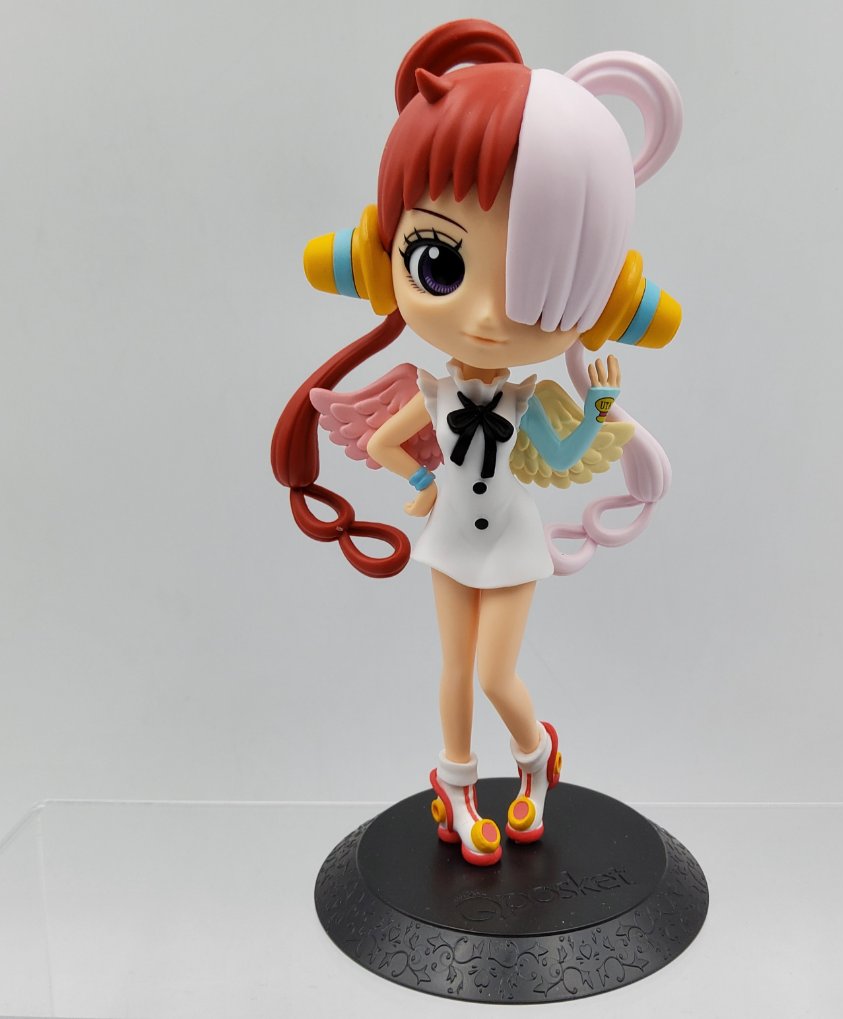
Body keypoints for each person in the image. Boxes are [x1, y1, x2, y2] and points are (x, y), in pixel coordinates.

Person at [271, 19, 683, 865]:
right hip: (451, 536)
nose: (490, 316)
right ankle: (455, 784)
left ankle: (534, 759)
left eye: (543, 287)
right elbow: (386, 446)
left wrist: (600, 411)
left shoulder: (528, 400)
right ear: (380, 256)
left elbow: (560, 462)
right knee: (453, 672)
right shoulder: (430, 393)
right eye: (441, 264)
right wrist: (422, 484)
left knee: (497, 673)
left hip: (513, 542)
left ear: (600, 301)